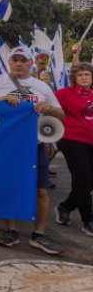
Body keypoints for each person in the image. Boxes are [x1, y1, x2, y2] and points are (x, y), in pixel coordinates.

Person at [0, 45, 65, 255]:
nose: (18, 63)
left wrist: (48, 108)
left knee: (41, 190)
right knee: (9, 186)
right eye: (15, 59)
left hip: (35, 145)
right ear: (9, 62)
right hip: (6, 144)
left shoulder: (41, 86)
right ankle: (11, 230)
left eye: (23, 60)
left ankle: (38, 235)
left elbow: (61, 115)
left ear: (31, 64)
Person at [53, 63, 93, 237]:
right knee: (83, 179)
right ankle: (88, 220)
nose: (84, 77)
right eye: (80, 75)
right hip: (72, 140)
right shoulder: (64, 94)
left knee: (88, 182)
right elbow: (47, 105)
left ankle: (66, 206)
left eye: (87, 74)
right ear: (74, 78)